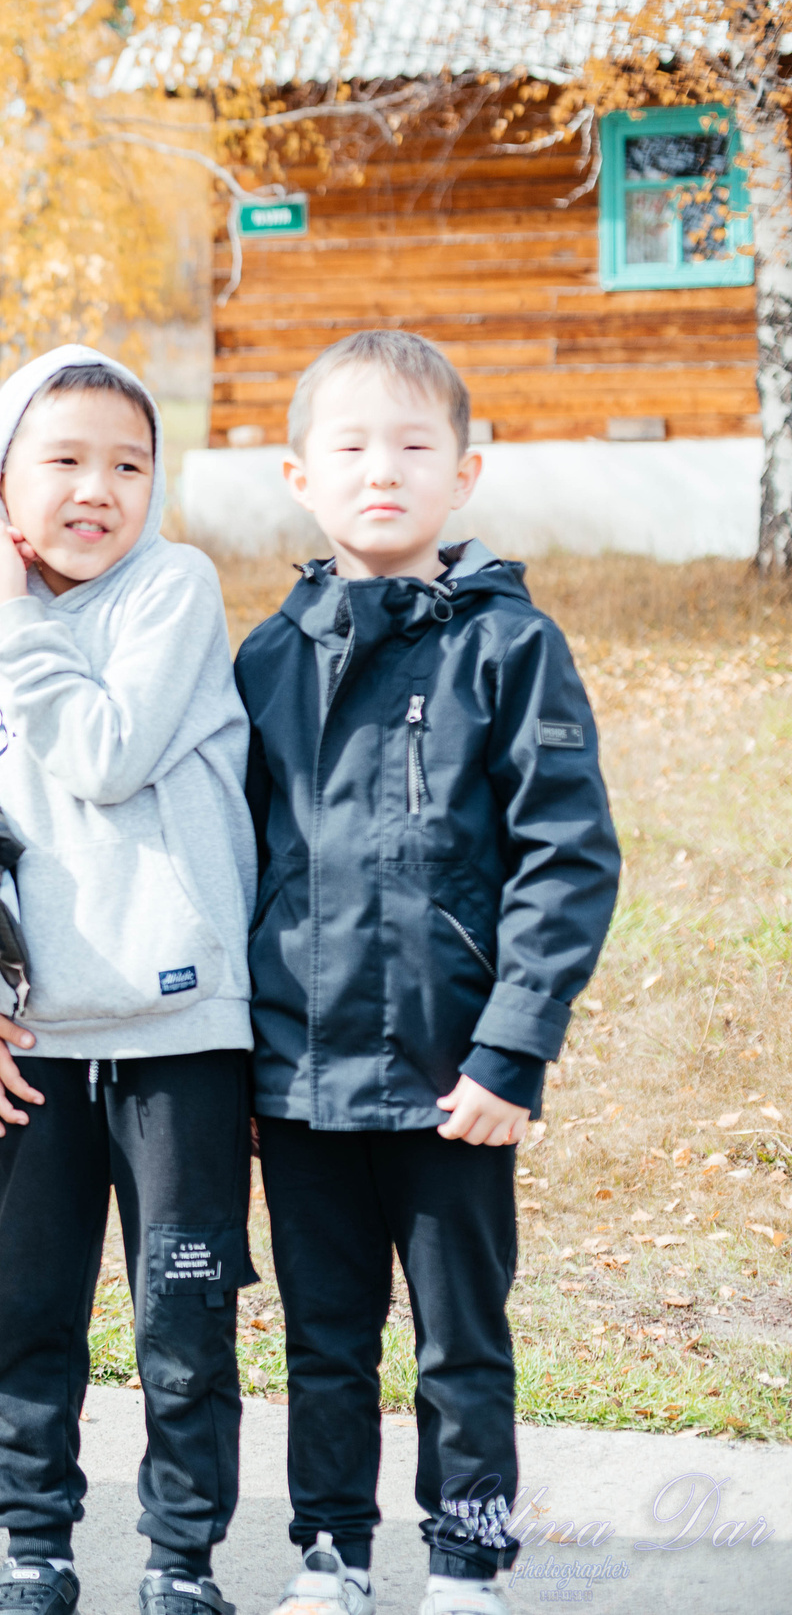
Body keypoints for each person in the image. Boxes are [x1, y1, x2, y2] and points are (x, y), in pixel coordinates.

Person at [239, 332, 619, 1615]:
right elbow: (234, 856)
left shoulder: (510, 648)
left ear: (465, 471)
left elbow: (566, 861)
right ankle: (328, 1557)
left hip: (454, 1076)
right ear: (299, 472)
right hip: (297, 1076)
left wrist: (512, 1049)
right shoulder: (264, 658)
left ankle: (466, 1562)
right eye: (348, 445)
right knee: (323, 1339)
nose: (379, 470)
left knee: (461, 1340)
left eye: (411, 445)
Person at [0, 346, 256, 1615]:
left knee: (182, 1323)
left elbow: (106, 755)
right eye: (61, 459)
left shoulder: (173, 587)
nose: (95, 487)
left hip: (182, 1035)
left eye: (126, 463)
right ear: (3, 479)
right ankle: (33, 1548)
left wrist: (18, 620)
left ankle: (179, 1563)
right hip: (37, 1043)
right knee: (29, 1311)